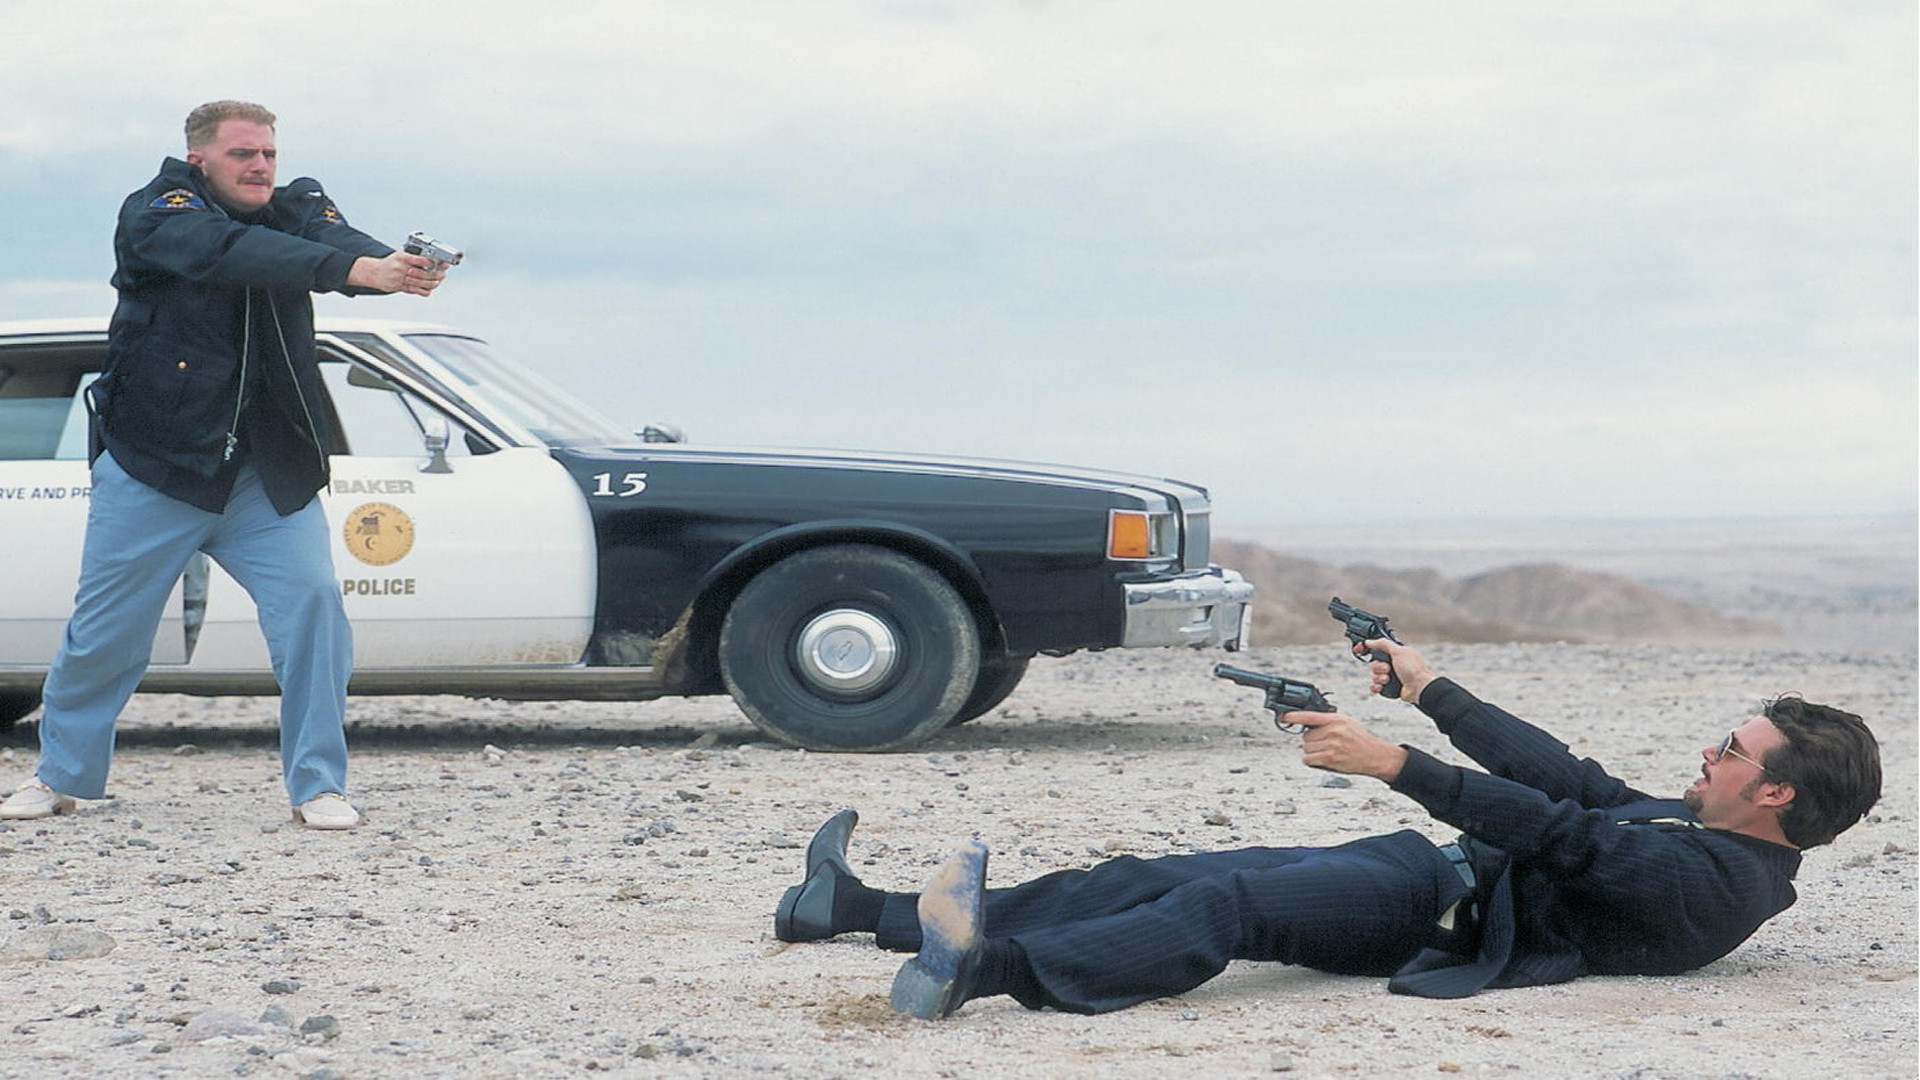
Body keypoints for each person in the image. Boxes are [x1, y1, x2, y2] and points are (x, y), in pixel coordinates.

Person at [771, 638, 1883, 1017]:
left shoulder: (1720, 887)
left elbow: (1563, 832)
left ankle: (985, 972)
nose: (1711, 754)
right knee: (1159, 872)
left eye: (1732, 752)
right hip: (1433, 870)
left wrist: (1394, 762)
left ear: (1778, 796)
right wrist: (1431, 689)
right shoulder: (1704, 827)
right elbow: (1570, 780)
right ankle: (855, 910)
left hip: (1441, 917)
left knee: (1227, 907)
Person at [0, 101, 446, 829]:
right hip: (156, 466)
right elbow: (229, 253)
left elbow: (332, 238)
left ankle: (319, 786)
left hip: (264, 473)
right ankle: (60, 776)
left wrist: (389, 267)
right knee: (107, 633)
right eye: (243, 155)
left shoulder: (294, 205)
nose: (261, 166)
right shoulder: (159, 213)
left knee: (314, 612)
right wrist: (356, 268)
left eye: (268, 153)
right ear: (200, 159)